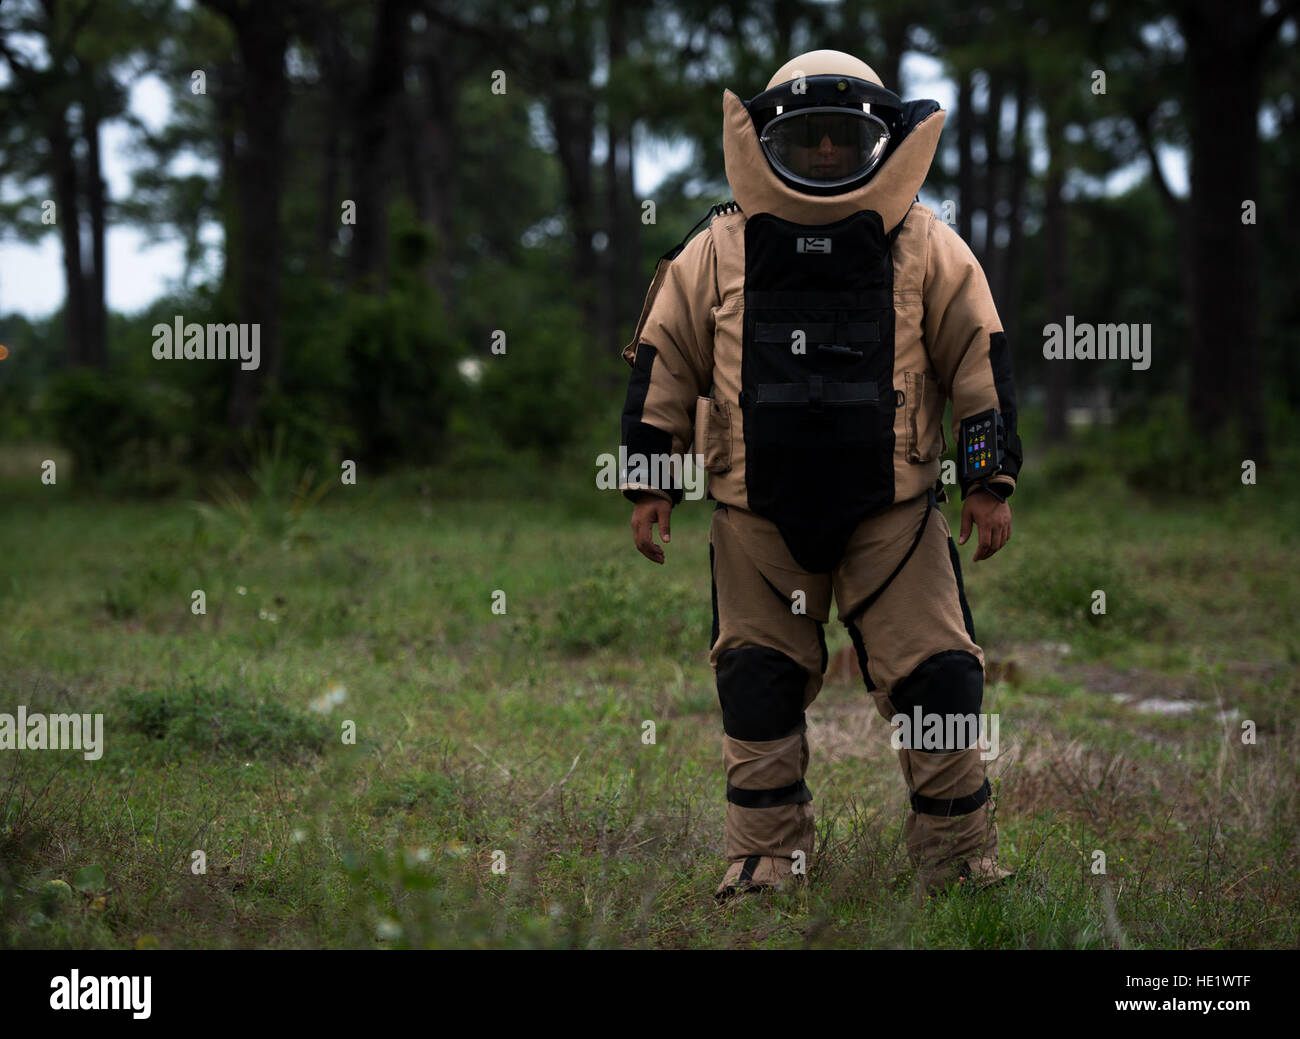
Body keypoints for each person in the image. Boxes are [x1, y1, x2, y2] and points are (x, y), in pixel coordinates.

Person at [618, 49, 1022, 901]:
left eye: (845, 138)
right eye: (812, 139)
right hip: (755, 520)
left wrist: (988, 480)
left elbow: (978, 356)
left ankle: (959, 862)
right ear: (767, 141)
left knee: (940, 674)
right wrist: (650, 481)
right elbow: (664, 364)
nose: (830, 156)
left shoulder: (926, 244)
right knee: (756, 679)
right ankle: (766, 859)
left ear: (879, 141)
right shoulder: (715, 250)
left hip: (897, 519)